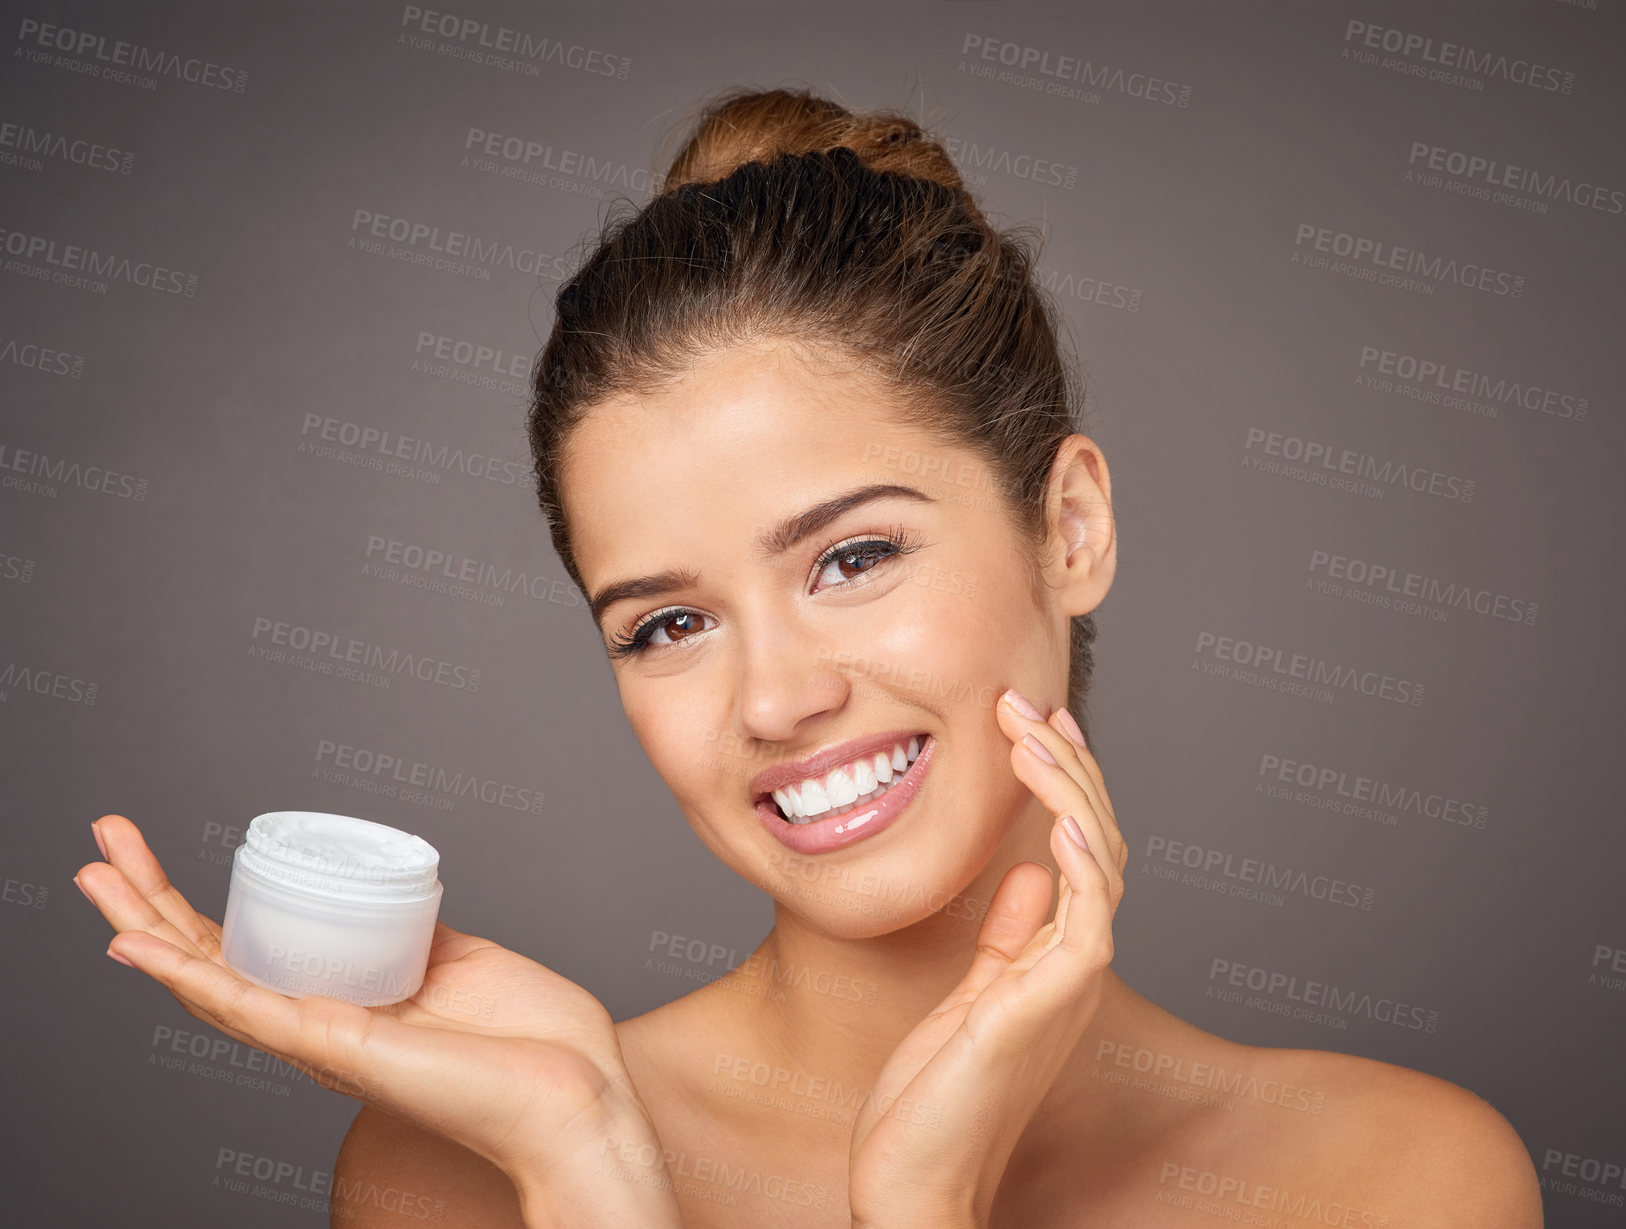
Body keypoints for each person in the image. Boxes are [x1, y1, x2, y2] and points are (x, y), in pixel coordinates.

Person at [76, 87, 1544, 1228]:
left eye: (852, 557)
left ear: (1071, 525)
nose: (774, 699)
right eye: (668, 624)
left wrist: (917, 1204)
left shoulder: (1395, 1176)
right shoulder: (460, 1171)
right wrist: (591, 1169)